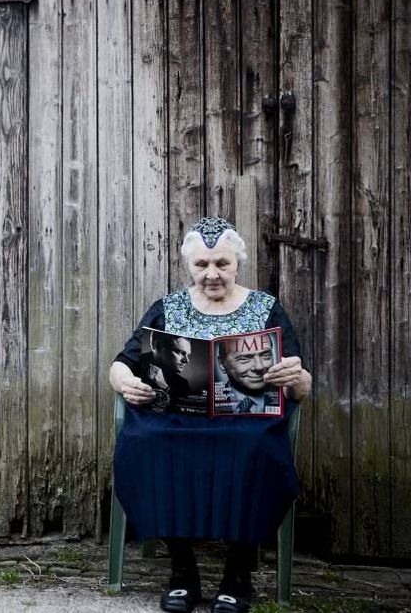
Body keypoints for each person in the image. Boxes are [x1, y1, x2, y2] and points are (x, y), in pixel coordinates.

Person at [108, 217, 311, 613]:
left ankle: (238, 573)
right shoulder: (167, 307)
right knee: (146, 441)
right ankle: (182, 568)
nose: (212, 274)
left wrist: (297, 377)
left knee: (251, 447)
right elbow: (123, 362)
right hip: (177, 418)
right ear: (189, 266)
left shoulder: (266, 308)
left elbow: (300, 385)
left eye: (223, 264)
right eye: (202, 265)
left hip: (244, 422)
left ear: (238, 263)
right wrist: (123, 381)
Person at [216, 334, 279, 415]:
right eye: (244, 359)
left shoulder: (285, 394)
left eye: (265, 355)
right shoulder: (209, 400)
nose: (259, 367)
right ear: (222, 364)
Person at [141, 332, 193, 412]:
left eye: (187, 355)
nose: (187, 360)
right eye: (180, 353)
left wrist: (165, 387)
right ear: (157, 346)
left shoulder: (182, 384)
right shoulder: (134, 365)